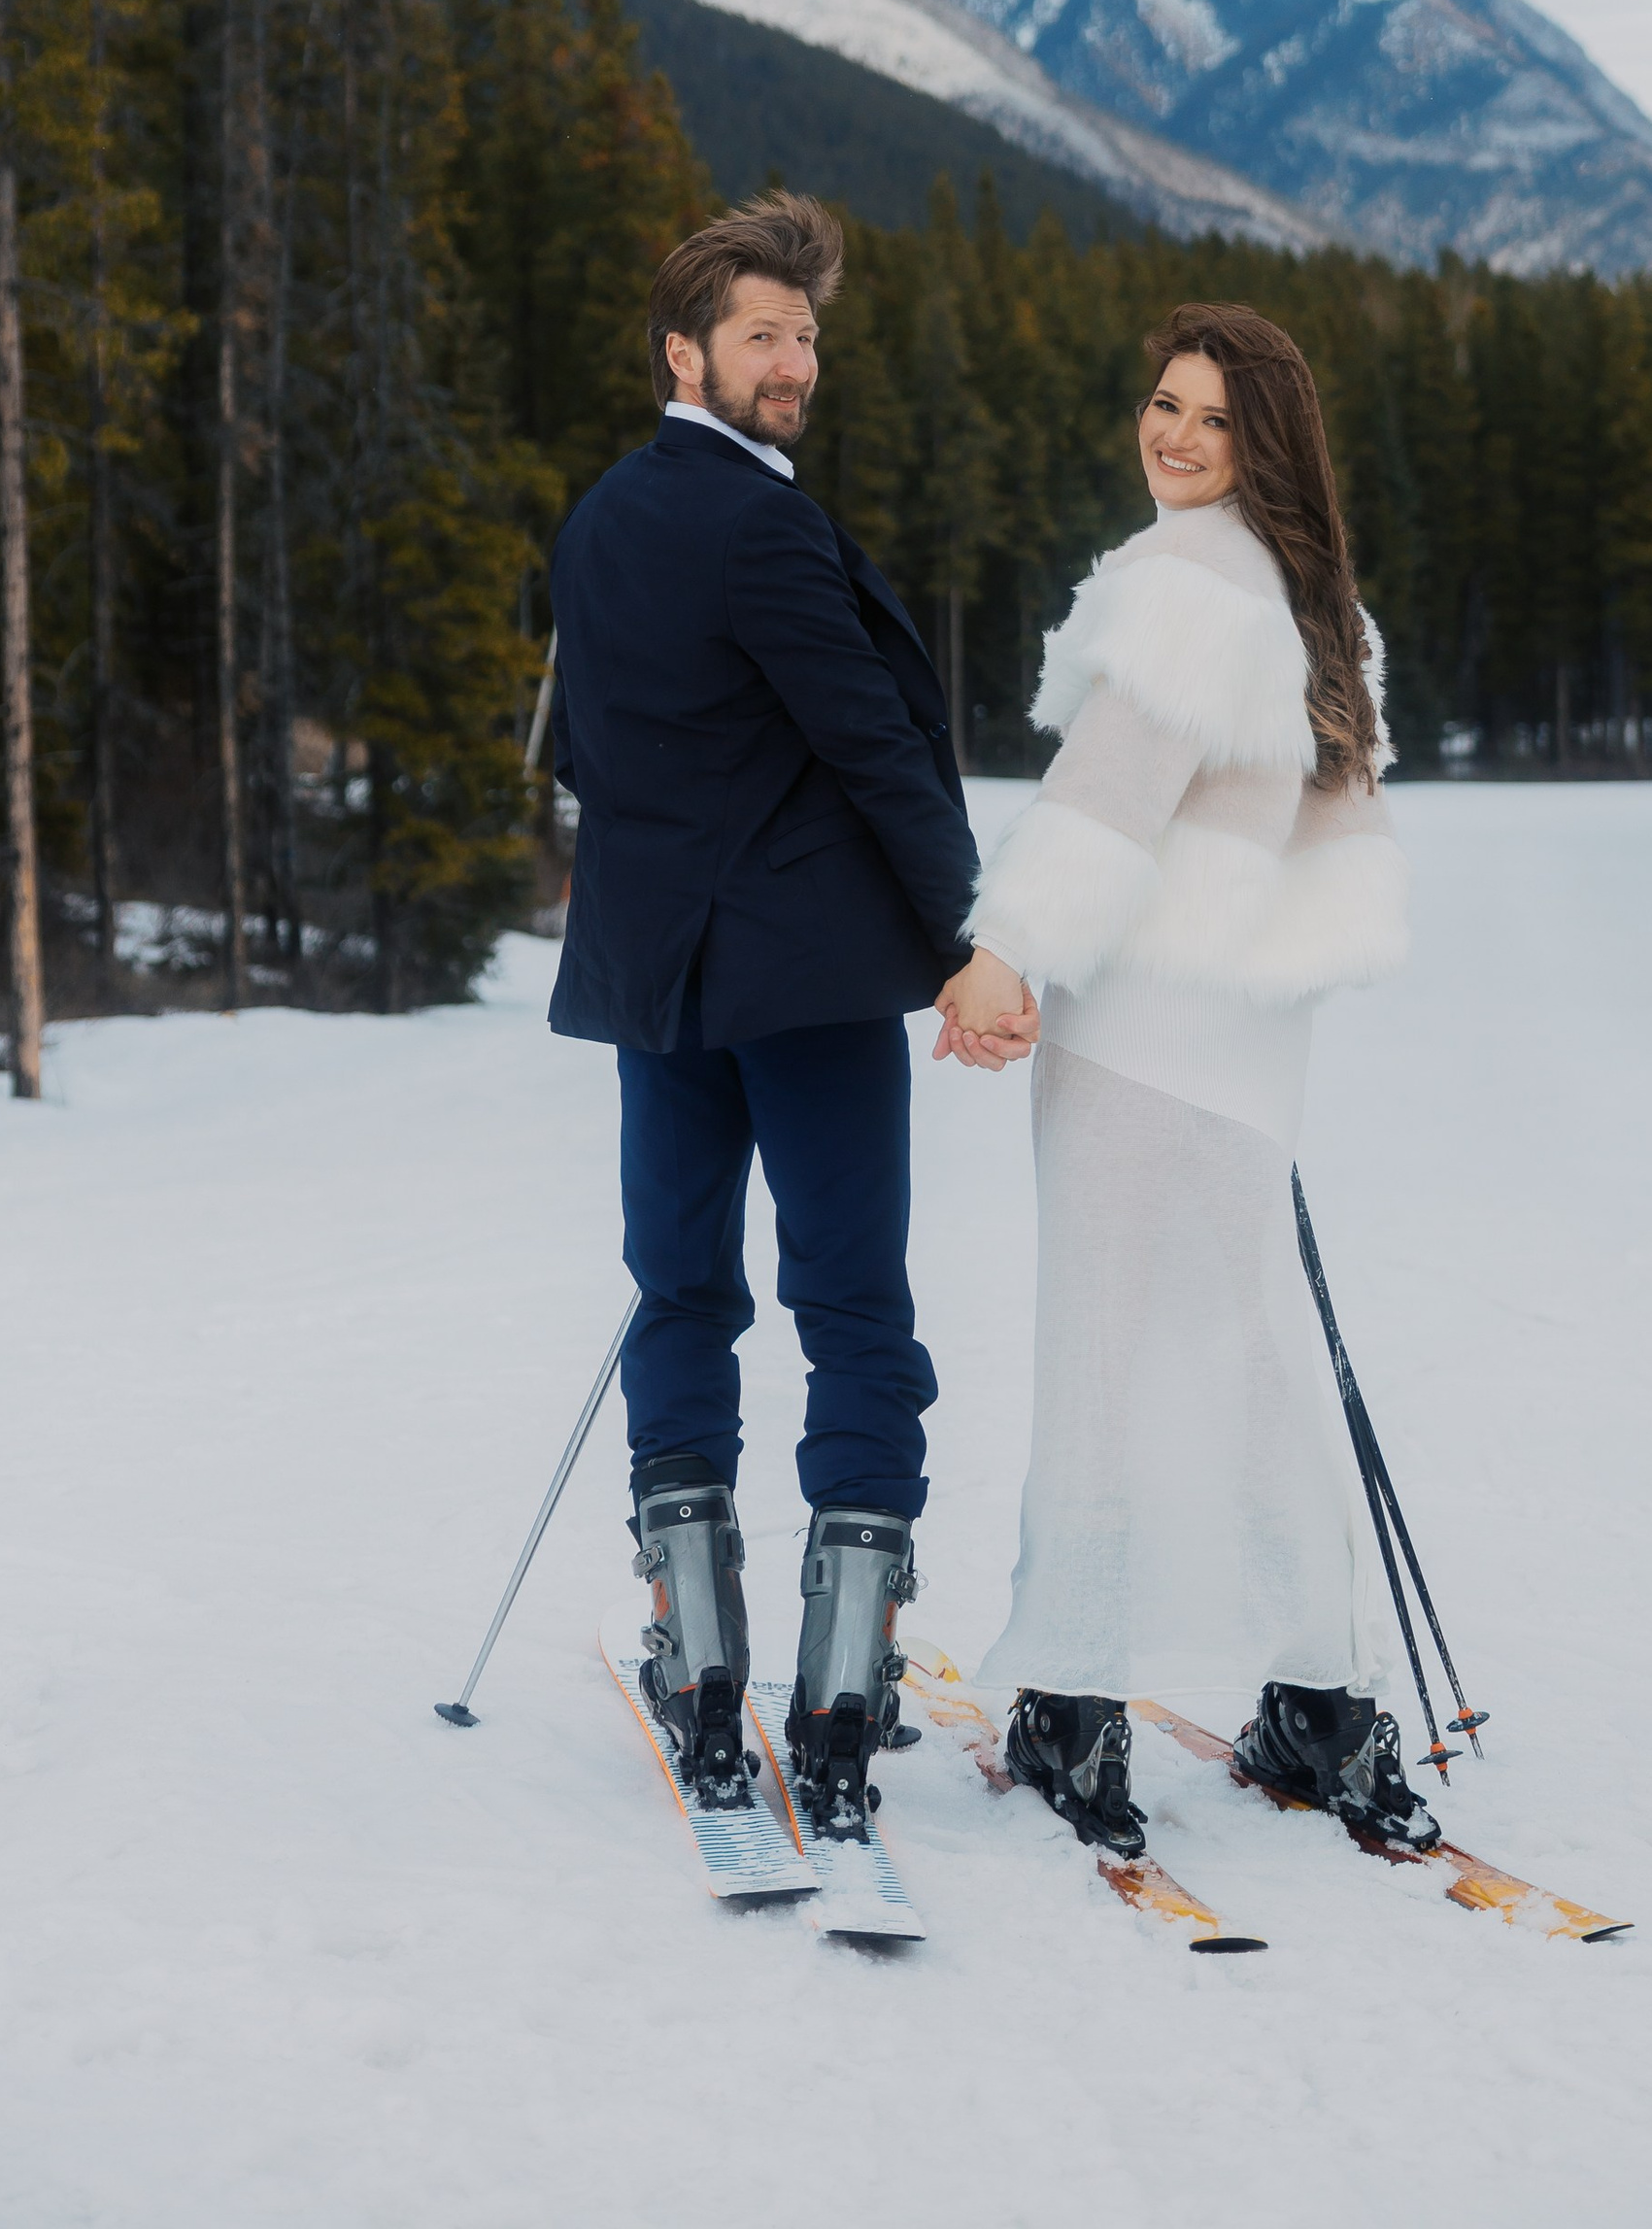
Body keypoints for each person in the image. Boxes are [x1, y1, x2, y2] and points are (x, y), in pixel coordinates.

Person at [933, 301, 1426, 1853]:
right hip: (1249, 1047)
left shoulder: (1179, 589)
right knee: (1260, 1356)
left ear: (1262, 440)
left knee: (1101, 1351)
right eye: (1162, 402)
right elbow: (1336, 855)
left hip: (1135, 1028)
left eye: (1212, 417)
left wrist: (1006, 947)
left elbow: (1105, 801)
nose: (1175, 435)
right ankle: (1322, 1703)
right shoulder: (1320, 610)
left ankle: (1074, 1707)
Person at [546, 193, 987, 1841]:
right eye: (762, 335)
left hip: (660, 983)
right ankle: (845, 1693)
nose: (796, 361)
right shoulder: (762, 524)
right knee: (855, 1304)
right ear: (687, 353)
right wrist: (968, 936)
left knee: (680, 1291)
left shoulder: (597, 522)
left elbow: (592, 754)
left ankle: (703, 1652)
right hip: (803, 987)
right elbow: (873, 740)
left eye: (806, 334)